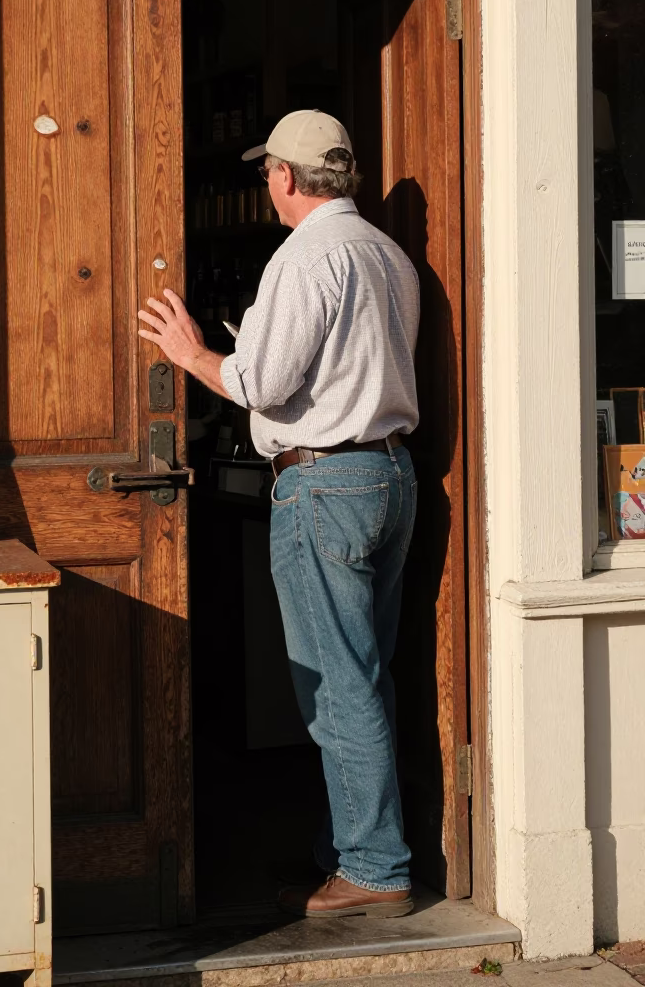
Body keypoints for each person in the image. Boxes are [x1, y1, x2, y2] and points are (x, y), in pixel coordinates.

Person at [138, 110, 420, 919]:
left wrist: (192, 353)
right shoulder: (388, 255)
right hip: (387, 474)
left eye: (268, 171)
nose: (267, 182)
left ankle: (373, 864)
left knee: (338, 687)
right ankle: (350, 852)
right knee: (363, 677)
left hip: (326, 482)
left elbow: (263, 384)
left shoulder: (307, 258)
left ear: (287, 178)